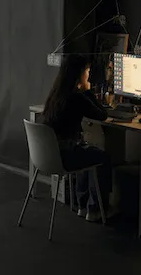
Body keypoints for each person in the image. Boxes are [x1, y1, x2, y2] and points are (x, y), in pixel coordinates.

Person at [41, 54, 112, 222]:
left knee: (85, 149)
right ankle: (95, 209)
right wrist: (88, 90)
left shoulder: (56, 94)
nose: (88, 74)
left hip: (47, 156)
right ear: (79, 73)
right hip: (65, 157)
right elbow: (102, 115)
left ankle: (82, 205)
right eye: (87, 71)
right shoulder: (77, 97)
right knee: (103, 157)